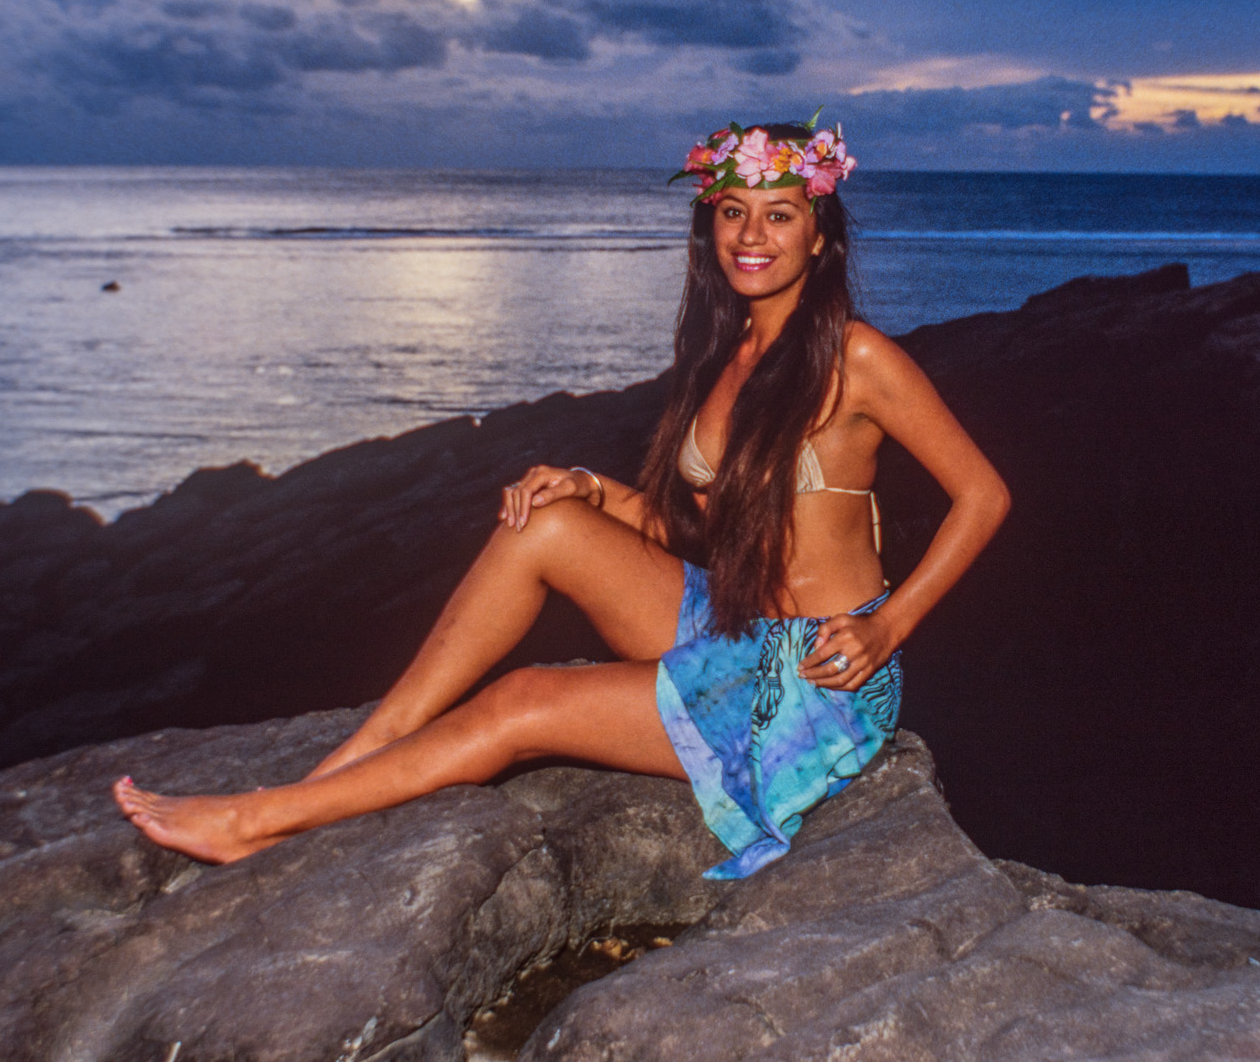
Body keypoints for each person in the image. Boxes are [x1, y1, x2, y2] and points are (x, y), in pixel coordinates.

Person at [113, 118, 1010, 873]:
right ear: (709, 227)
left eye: (779, 215)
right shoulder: (723, 358)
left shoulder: (857, 357)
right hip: (731, 622)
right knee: (542, 518)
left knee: (524, 702)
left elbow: (983, 495)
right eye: (732, 212)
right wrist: (591, 489)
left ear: (821, 236)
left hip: (808, 680)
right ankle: (357, 756)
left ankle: (257, 822)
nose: (751, 236)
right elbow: (707, 528)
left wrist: (887, 625)